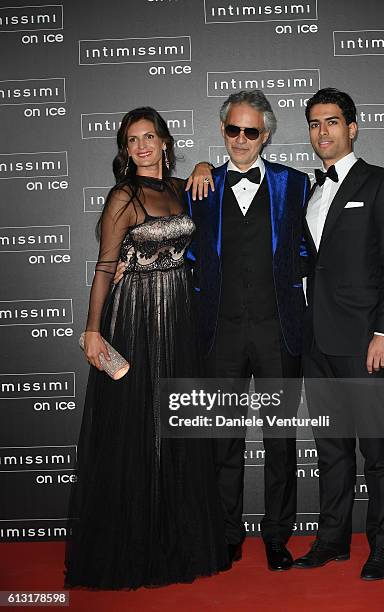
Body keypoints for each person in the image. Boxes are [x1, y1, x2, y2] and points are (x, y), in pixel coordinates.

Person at [64, 107, 229, 590]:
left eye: (149, 136)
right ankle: (132, 547)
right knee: (134, 428)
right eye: (132, 139)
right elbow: (103, 268)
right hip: (134, 315)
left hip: (178, 316)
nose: (141, 146)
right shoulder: (124, 196)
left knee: (174, 427)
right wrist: (93, 331)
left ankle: (179, 541)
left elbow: (214, 182)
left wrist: (202, 167)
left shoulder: (180, 190)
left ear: (163, 142)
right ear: (125, 149)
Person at [185, 90, 309, 570]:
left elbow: (310, 250)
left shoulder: (294, 184)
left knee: (281, 442)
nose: (241, 139)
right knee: (223, 440)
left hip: (280, 332)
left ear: (266, 135)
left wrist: (282, 276)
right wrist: (199, 166)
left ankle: (277, 537)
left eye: (251, 131)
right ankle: (227, 533)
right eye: (232, 129)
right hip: (220, 334)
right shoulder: (199, 186)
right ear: (222, 131)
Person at [293, 88, 384, 580]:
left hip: (365, 341)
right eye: (315, 124)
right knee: (331, 446)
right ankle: (332, 540)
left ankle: (382, 548)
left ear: (353, 127)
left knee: (377, 452)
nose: (323, 132)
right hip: (316, 343)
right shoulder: (310, 191)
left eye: (332, 122)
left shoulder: (383, 184)